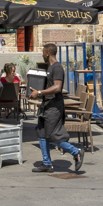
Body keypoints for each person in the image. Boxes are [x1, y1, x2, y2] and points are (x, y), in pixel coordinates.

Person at [30, 43, 84, 173]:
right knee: (41, 133)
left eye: (43, 52)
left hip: (54, 107)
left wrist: (39, 93)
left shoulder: (57, 68)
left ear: (48, 53)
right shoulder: (50, 67)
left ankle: (76, 152)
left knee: (52, 135)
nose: (42, 55)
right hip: (46, 105)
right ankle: (47, 163)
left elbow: (57, 87)